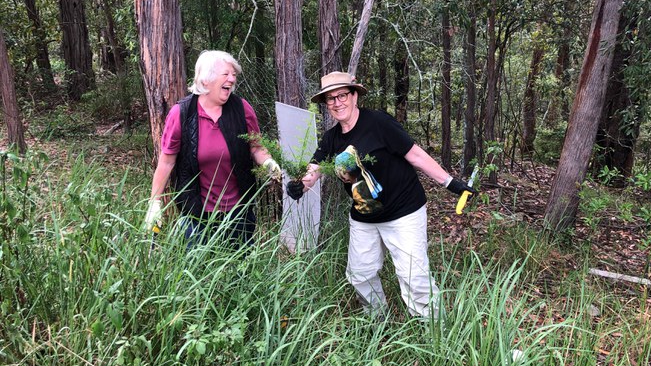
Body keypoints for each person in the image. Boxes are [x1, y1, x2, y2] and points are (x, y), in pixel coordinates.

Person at [286, 71, 476, 318]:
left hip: (403, 211)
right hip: (364, 217)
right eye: (330, 99)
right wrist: (301, 184)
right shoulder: (331, 138)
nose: (337, 103)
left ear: (355, 96)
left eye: (342, 95)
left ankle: (432, 330)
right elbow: (316, 167)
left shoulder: (378, 123)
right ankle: (377, 320)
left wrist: (450, 183)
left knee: (413, 276)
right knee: (359, 274)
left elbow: (415, 154)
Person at [144, 50, 281, 246]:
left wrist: (268, 161)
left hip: (238, 213)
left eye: (234, 75)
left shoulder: (242, 109)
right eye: (226, 74)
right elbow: (166, 162)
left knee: (241, 272)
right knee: (198, 272)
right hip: (196, 216)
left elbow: (256, 147)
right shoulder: (181, 113)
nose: (232, 79)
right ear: (206, 79)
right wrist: (154, 203)